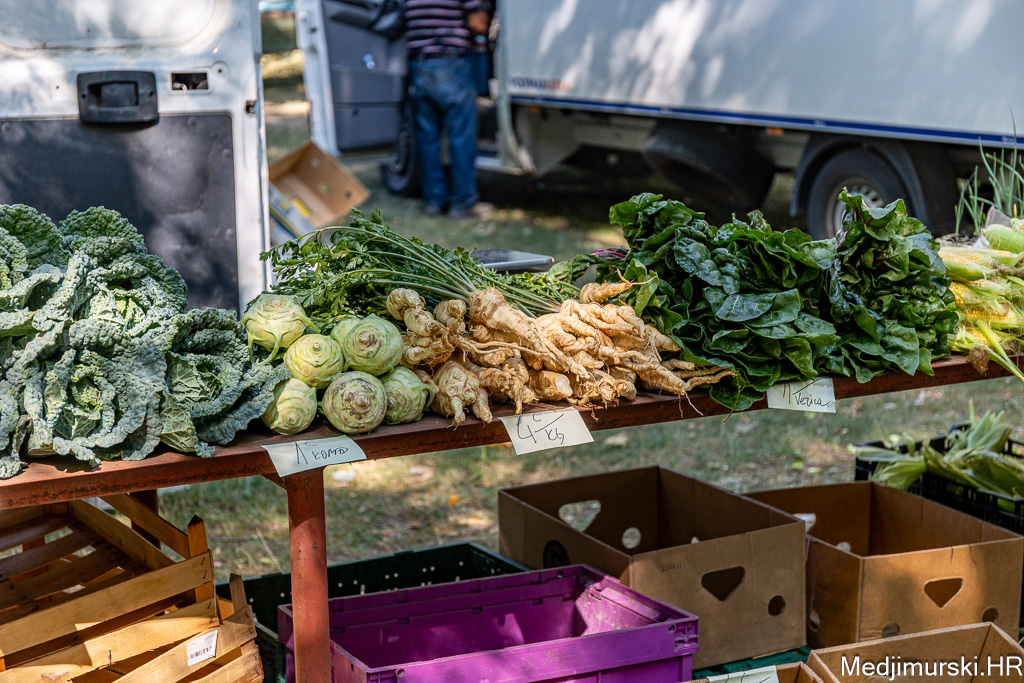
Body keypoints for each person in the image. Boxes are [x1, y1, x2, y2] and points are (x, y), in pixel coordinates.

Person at [404, 0, 493, 218]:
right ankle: (463, 203)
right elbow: (478, 24)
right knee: (461, 135)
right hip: (449, 65)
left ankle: (434, 201)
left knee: (427, 138)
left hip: (418, 67)